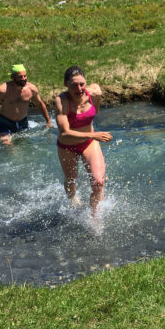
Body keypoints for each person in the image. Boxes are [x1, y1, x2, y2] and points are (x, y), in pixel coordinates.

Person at [55, 65, 113, 216]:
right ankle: (72, 201)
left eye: (82, 84)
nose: (79, 88)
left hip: (88, 144)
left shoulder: (94, 93)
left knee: (99, 182)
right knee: (71, 179)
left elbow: (96, 110)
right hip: (67, 146)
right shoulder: (62, 101)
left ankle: (95, 218)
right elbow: (65, 133)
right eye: (74, 85)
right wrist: (94, 135)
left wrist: (92, 136)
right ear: (65, 84)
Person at [0, 64, 51, 146]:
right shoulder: (3, 90)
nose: (23, 79)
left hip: (22, 122)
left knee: (24, 145)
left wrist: (48, 121)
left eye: (25, 76)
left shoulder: (31, 89)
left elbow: (39, 104)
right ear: (12, 77)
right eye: (20, 77)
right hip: (5, 123)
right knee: (7, 144)